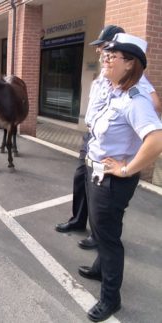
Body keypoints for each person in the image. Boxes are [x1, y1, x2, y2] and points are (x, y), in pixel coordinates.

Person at [78, 33, 162, 322]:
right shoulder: (114, 91)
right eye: (105, 54)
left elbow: (156, 140)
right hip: (96, 170)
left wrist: (127, 169)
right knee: (99, 228)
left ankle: (110, 298)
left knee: (109, 237)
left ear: (130, 64)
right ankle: (100, 268)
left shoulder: (136, 99)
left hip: (113, 180)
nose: (105, 58)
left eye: (112, 56)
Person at [55, 25, 161, 251]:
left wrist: (129, 118)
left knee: (105, 199)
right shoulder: (105, 74)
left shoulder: (133, 80)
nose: (101, 53)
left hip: (112, 144)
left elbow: (154, 105)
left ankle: (99, 236)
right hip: (93, 138)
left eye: (106, 49)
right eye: (104, 50)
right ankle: (78, 220)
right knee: (82, 181)